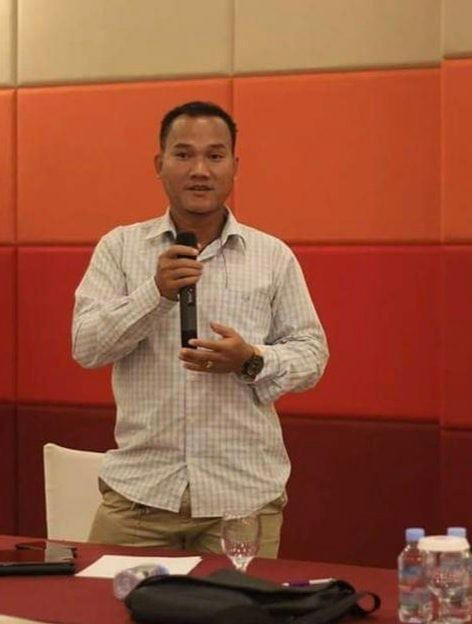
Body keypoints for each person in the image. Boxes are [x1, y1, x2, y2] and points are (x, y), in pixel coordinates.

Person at [72, 101, 328, 557]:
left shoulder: (272, 256)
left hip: (241, 500)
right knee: (99, 599)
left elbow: (312, 354)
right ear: (159, 164)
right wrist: (155, 293)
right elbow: (86, 346)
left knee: (238, 600)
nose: (200, 170)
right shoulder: (120, 248)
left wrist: (250, 360)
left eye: (215, 155)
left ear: (235, 166)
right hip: (140, 497)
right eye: (183, 154)